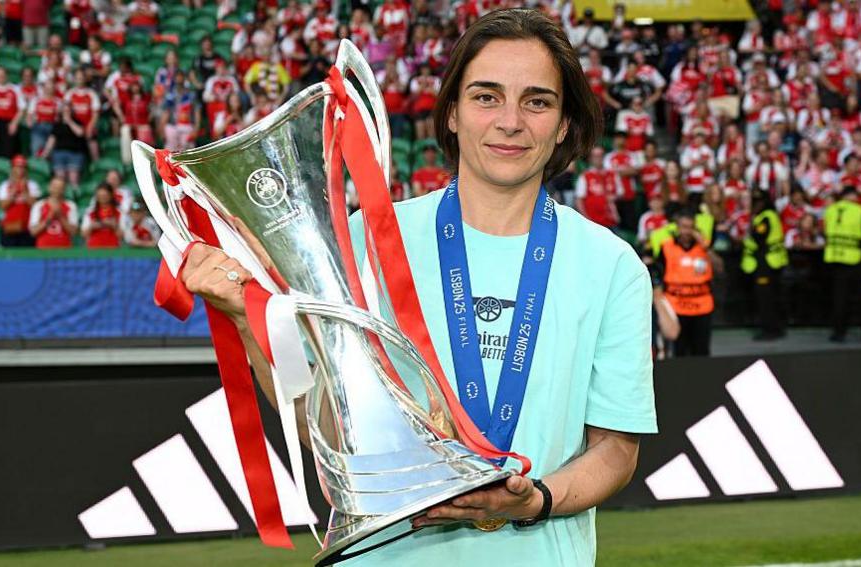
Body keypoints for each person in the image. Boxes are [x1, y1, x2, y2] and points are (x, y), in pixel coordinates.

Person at [178, 10, 655, 566]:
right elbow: (328, 428)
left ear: (566, 123)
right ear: (451, 113)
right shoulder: (363, 241)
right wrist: (246, 319)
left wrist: (536, 501)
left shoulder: (611, 264)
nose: (510, 121)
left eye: (537, 101)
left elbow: (616, 451)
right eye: (486, 97)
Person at [657, 208, 718, 356]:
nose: (687, 231)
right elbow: (658, 273)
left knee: (701, 351)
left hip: (702, 307)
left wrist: (706, 248)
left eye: (690, 227)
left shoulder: (704, 247)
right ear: (677, 227)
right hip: (677, 307)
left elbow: (719, 267)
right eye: (683, 227)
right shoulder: (667, 247)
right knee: (679, 352)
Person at [823, 185, 861, 342]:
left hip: (835, 258)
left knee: (839, 297)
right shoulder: (859, 211)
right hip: (855, 258)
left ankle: (839, 332)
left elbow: (825, 232)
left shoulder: (830, 210)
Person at [741, 189, 788, 340]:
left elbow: (758, 238)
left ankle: (770, 329)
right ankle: (775, 327)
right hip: (770, 261)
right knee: (771, 297)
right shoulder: (766, 216)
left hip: (766, 263)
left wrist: (746, 239)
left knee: (765, 298)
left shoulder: (765, 217)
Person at [0, 155, 41, 247]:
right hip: (10, 226)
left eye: (23, 167)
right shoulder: (4, 185)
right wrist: (12, 194)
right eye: (18, 167)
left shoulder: (32, 185)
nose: (20, 170)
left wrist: (25, 192)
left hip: (27, 227)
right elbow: (2, 206)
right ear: (12, 168)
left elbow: (35, 206)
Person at [28, 176, 79, 248]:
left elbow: (73, 232)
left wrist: (60, 216)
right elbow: (33, 232)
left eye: (60, 187)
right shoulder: (39, 205)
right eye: (55, 187)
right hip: (43, 250)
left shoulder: (71, 206)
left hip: (65, 251)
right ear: (49, 187)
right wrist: (49, 218)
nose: (57, 190)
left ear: (64, 189)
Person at [81, 183, 123, 248]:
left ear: (111, 195)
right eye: (100, 196)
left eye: (105, 196)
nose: (103, 198)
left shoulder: (119, 212)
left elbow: (122, 236)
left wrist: (114, 226)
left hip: (113, 250)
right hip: (94, 250)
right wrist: (91, 227)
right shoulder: (90, 211)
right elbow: (83, 234)